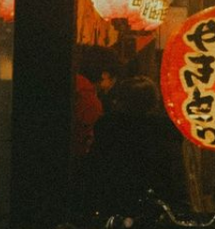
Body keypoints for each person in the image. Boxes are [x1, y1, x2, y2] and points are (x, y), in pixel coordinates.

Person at [79, 74, 189, 217]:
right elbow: (174, 174)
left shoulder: (108, 127)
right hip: (157, 201)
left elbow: (96, 166)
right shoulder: (164, 130)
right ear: (154, 102)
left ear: (120, 101)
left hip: (114, 200)